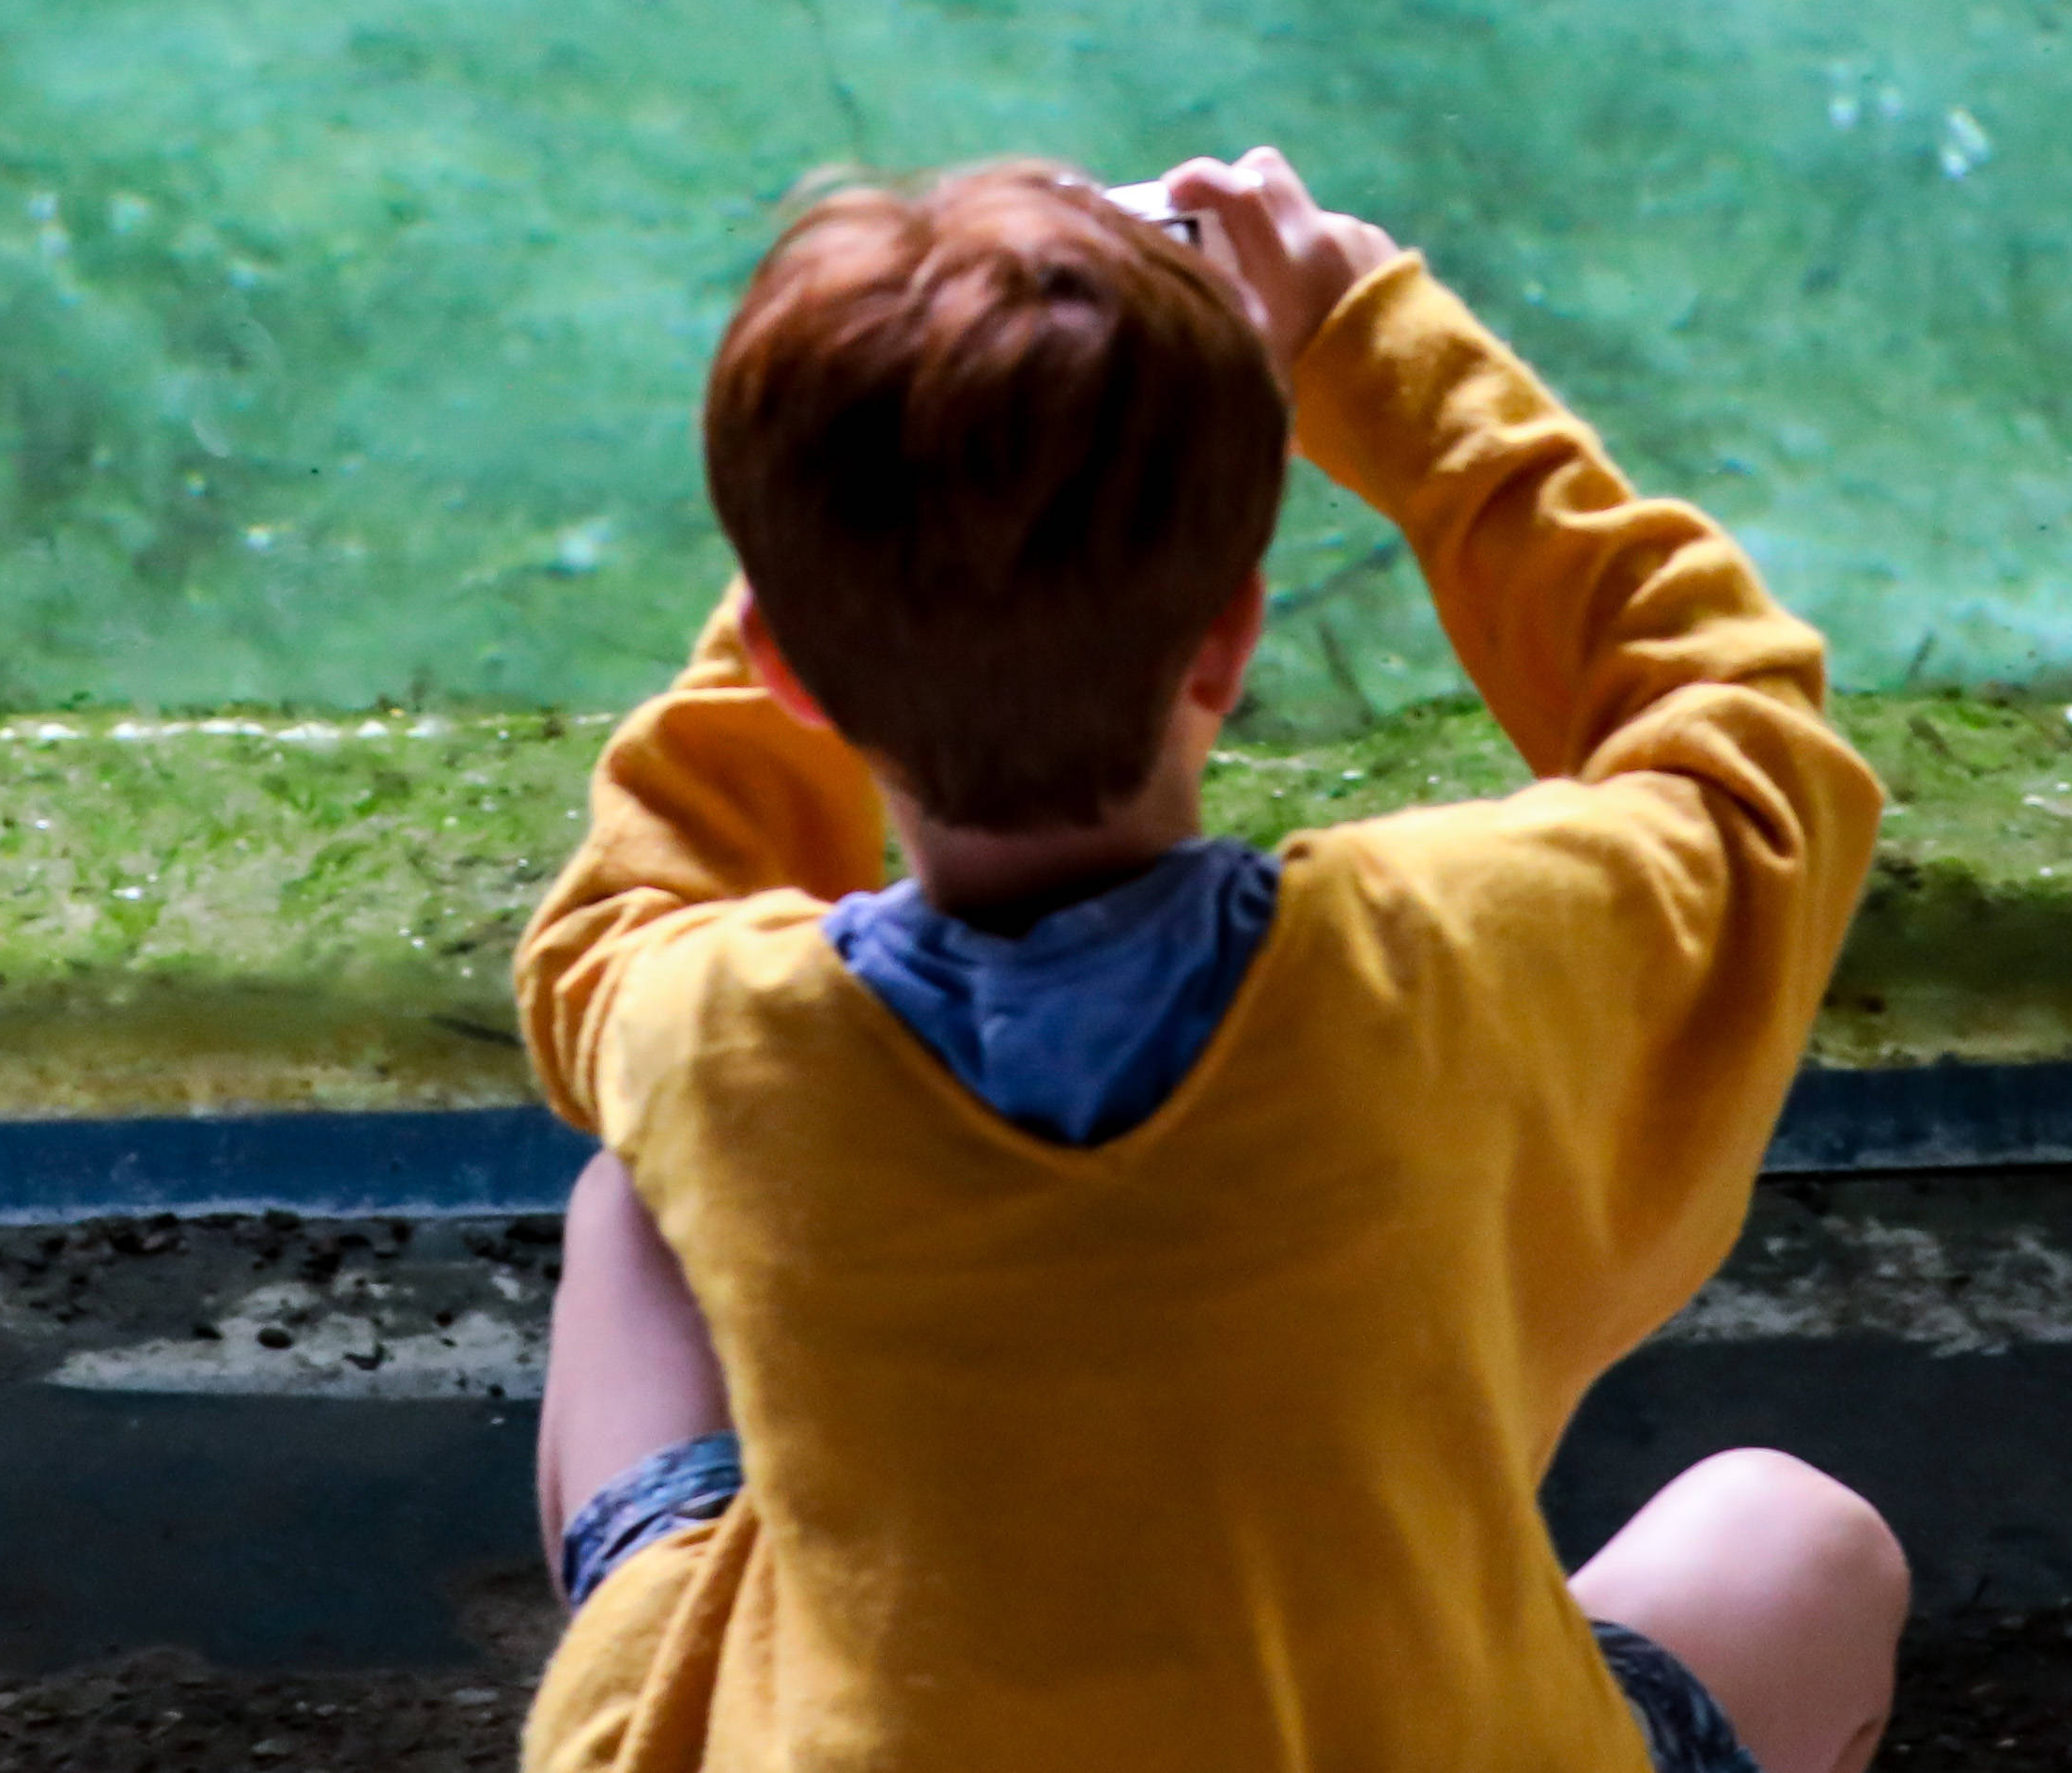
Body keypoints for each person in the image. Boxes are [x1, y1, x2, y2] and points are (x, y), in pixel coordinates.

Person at [514, 145, 1905, 1773]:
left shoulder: (709, 1025)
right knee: (1796, 1538)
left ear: (787, 665)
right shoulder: (1454, 959)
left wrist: (871, 515)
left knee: (633, 1206)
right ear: (1233, 634)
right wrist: (1365, 345)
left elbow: (614, 915)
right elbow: (1747, 752)